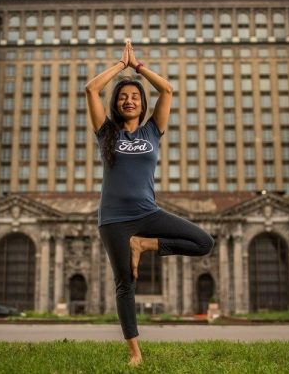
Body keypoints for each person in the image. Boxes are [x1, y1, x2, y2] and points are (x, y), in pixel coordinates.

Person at [85, 40, 215, 366]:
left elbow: (167, 90)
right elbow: (90, 89)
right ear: (116, 104)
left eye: (136, 97)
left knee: (203, 242)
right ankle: (135, 353)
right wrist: (120, 66)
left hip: (148, 214)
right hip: (114, 219)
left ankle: (144, 244)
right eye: (123, 97)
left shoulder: (152, 132)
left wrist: (138, 67)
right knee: (125, 284)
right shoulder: (106, 132)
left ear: (143, 105)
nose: (129, 101)